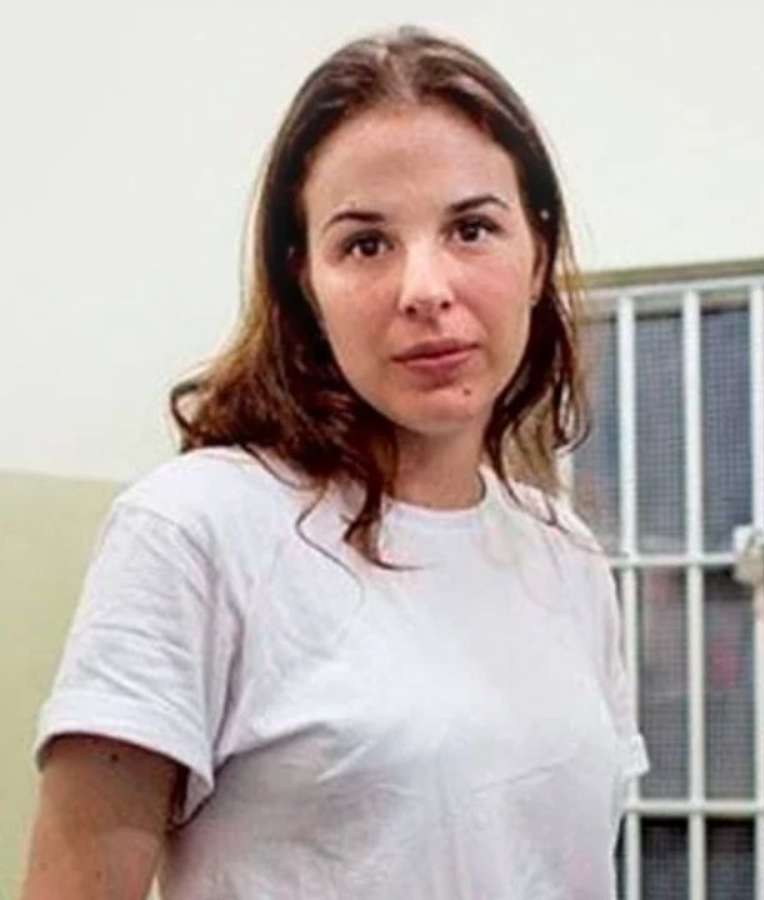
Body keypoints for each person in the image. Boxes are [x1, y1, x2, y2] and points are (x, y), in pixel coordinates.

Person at [21, 26, 647, 900]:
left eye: (471, 229)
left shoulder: (564, 553)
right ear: (305, 282)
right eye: (365, 244)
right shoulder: (195, 530)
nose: (425, 290)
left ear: (537, 256)